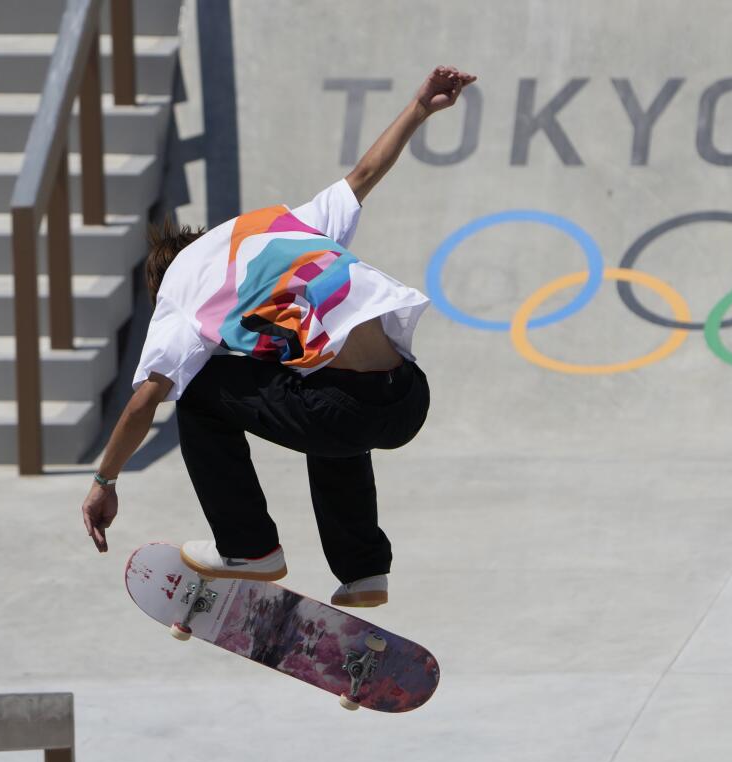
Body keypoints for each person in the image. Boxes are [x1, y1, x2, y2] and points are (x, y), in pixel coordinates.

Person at [81, 65, 477, 607]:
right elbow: (364, 174)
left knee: (195, 389)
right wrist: (419, 107)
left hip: (344, 412)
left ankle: (248, 547)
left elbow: (143, 401)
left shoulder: (181, 291)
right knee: (311, 373)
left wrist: (105, 481)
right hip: (408, 398)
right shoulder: (275, 228)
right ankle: (363, 571)